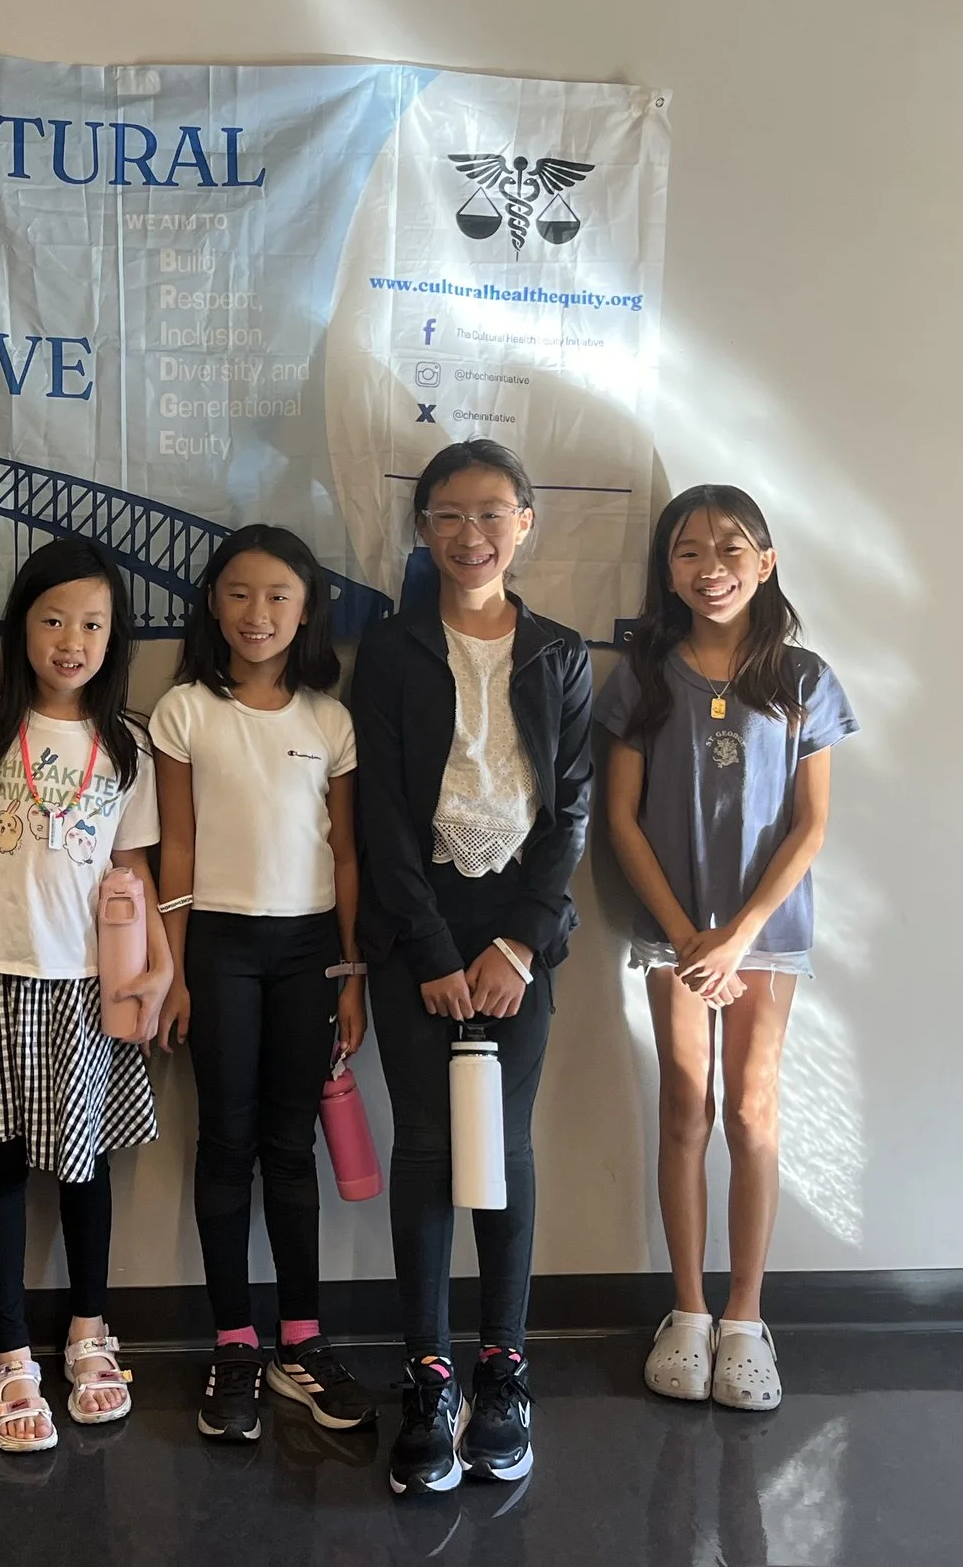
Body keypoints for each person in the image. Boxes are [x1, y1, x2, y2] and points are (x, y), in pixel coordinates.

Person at [349, 439, 594, 1495]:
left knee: (507, 1148)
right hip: (420, 927)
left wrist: (518, 945)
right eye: (447, 514)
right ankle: (431, 1374)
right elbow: (381, 815)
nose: (469, 533)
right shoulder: (395, 651)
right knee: (425, 1147)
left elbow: (570, 807)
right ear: (423, 530)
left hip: (518, 937)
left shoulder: (558, 653)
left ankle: (504, 1370)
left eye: (490, 512)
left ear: (524, 523)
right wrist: (435, 949)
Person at [596, 485, 855, 1413]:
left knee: (750, 1113)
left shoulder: (804, 678)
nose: (711, 568)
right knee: (684, 1112)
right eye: (688, 551)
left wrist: (739, 935)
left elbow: (813, 824)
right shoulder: (640, 675)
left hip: (765, 936)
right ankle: (690, 1312)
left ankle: (746, 1317)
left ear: (767, 561)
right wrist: (683, 934)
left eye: (731, 548)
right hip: (673, 934)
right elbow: (621, 819)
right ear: (668, 569)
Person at [0, 536, 176, 1454]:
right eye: (54, 618)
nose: (73, 639)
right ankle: (7, 1348)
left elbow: (134, 867)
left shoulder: (127, 744)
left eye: (94, 623)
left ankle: (87, 1330)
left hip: (83, 985)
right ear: (21, 625)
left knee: (83, 1165)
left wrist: (154, 974)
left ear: (117, 636)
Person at [152, 524, 374, 1443]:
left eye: (279, 595)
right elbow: (178, 847)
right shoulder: (184, 710)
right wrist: (170, 966)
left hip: (311, 950)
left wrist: (353, 973)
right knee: (227, 1140)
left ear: (306, 608)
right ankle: (234, 1344)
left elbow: (346, 853)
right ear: (214, 602)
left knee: (292, 1145)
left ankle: (302, 1342)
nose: (258, 612)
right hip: (219, 949)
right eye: (239, 592)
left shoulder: (330, 717)